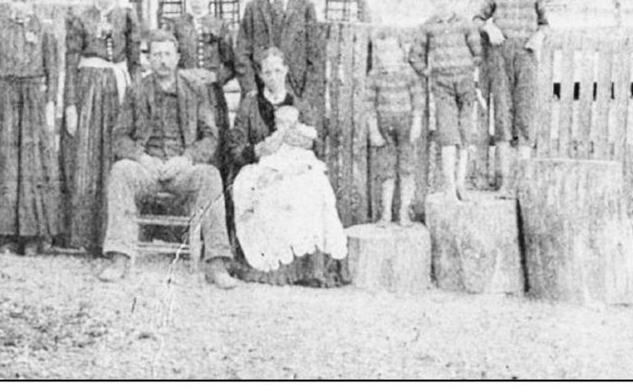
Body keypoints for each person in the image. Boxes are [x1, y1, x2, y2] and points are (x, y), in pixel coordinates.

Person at [97, 30, 238, 289]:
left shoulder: (195, 90)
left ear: (178, 57)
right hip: (146, 169)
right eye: (156, 54)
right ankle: (119, 257)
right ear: (149, 59)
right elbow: (120, 137)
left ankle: (217, 264)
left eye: (167, 54)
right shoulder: (136, 91)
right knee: (120, 171)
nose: (162, 60)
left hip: (182, 170)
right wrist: (142, 158)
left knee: (210, 176)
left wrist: (187, 159)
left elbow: (210, 136)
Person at [229, 47, 349, 286]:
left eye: (277, 71)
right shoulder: (250, 104)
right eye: (267, 73)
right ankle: (276, 267)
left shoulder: (299, 104)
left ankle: (310, 267)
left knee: (314, 187)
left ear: (285, 71)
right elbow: (235, 149)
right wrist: (259, 149)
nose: (273, 77)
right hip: (260, 167)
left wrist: (301, 142)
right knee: (266, 193)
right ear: (261, 76)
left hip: (295, 166)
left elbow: (315, 142)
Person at [62, 0, 141, 254]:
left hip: (119, 92)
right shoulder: (80, 19)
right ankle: (85, 237)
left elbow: (134, 63)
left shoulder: (127, 17)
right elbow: (70, 64)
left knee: (114, 157)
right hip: (89, 93)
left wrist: (135, 99)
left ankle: (115, 236)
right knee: (87, 159)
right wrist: (70, 104)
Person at [0, 0, 61, 253]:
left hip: (33, 100)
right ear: (8, 1)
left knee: (33, 164)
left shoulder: (44, 31)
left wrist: (51, 104)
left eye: (24, 0)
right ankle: (5, 234)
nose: (19, 5)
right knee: (7, 163)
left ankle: (32, 236)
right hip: (6, 98)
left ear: (32, 2)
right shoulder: (0, 30)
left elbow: (53, 71)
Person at [476, 0, 550, 193]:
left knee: (525, 114)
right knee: (503, 116)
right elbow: (476, 19)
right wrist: (489, 28)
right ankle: (506, 182)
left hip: (526, 57)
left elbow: (545, 23)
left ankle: (524, 183)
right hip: (500, 58)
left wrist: (539, 36)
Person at [410, 0, 483, 201]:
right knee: (448, 135)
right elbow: (415, 56)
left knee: (464, 134)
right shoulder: (427, 27)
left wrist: (473, 76)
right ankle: (449, 186)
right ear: (433, 0)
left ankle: (461, 183)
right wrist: (429, 72)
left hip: (465, 83)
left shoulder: (466, 25)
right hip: (442, 85)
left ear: (457, 0)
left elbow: (478, 53)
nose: (445, 3)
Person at [165, 0, 238, 173]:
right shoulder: (176, 25)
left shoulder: (220, 25)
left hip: (212, 95)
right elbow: (169, 58)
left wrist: (215, 76)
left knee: (214, 139)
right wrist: (183, 75)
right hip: (184, 93)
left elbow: (232, 64)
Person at [235, 0, 322, 107]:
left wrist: (306, 99)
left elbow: (315, 58)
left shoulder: (305, 8)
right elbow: (242, 53)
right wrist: (251, 90)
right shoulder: (253, 8)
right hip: (261, 95)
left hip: (295, 92)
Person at [366, 32, 422, 226]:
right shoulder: (374, 76)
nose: (386, 55)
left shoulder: (408, 73)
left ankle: (404, 212)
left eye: (391, 50)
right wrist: (373, 130)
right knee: (387, 171)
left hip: (406, 126)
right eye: (382, 51)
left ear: (400, 51)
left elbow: (417, 101)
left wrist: (416, 123)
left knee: (407, 169)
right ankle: (386, 214)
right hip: (384, 128)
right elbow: (369, 106)